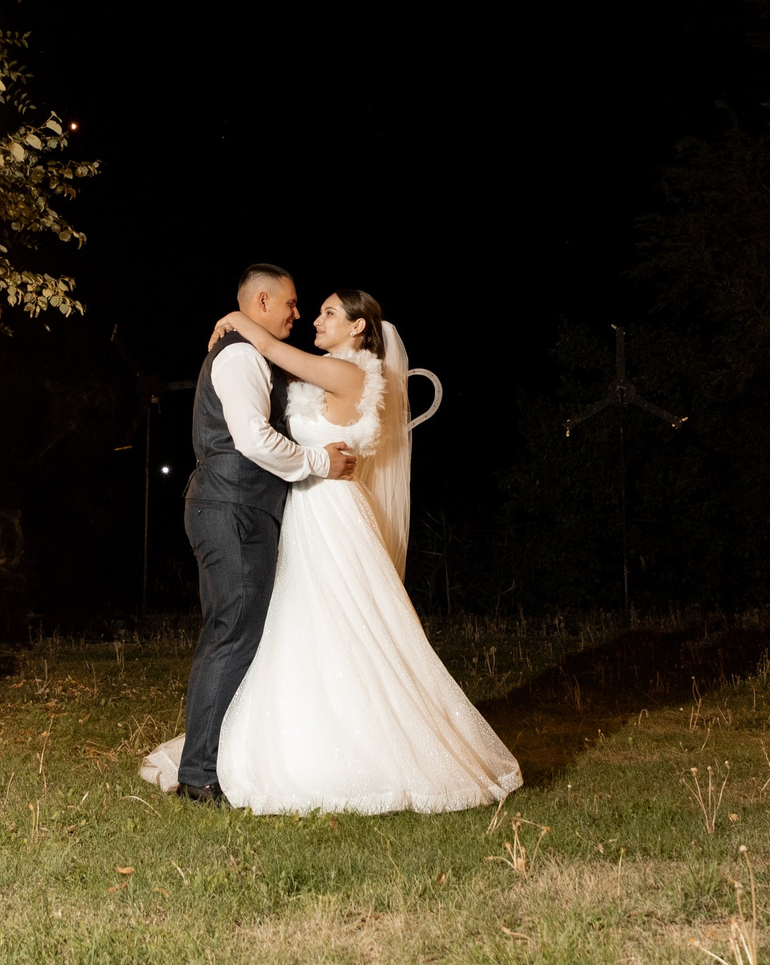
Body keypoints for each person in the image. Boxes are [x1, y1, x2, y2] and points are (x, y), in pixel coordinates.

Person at [144, 285, 521, 815]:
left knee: (336, 621)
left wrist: (234, 316)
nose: (311, 319)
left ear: (358, 328)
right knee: (292, 624)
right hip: (300, 507)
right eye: (307, 308)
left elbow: (273, 352)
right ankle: (250, 746)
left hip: (328, 509)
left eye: (325, 313)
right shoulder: (318, 373)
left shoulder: (352, 374)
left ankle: (346, 747)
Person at [163, 264, 356, 806]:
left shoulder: (254, 352)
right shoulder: (241, 356)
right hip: (232, 507)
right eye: (292, 304)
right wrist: (318, 460)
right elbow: (251, 439)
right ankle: (198, 777)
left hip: (236, 506)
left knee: (233, 634)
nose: (299, 313)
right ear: (264, 301)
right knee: (231, 634)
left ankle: (213, 763)